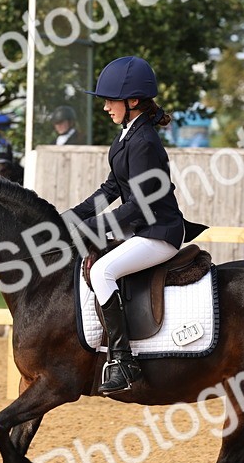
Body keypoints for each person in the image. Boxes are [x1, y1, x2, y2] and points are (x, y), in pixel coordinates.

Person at [67, 56, 207, 394]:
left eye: (110, 101)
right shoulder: (128, 136)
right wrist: (71, 218)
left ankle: (123, 360)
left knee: (102, 271)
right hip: (140, 228)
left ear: (132, 101)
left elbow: (140, 204)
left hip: (158, 232)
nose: (105, 108)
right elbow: (111, 188)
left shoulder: (143, 142)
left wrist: (95, 227)